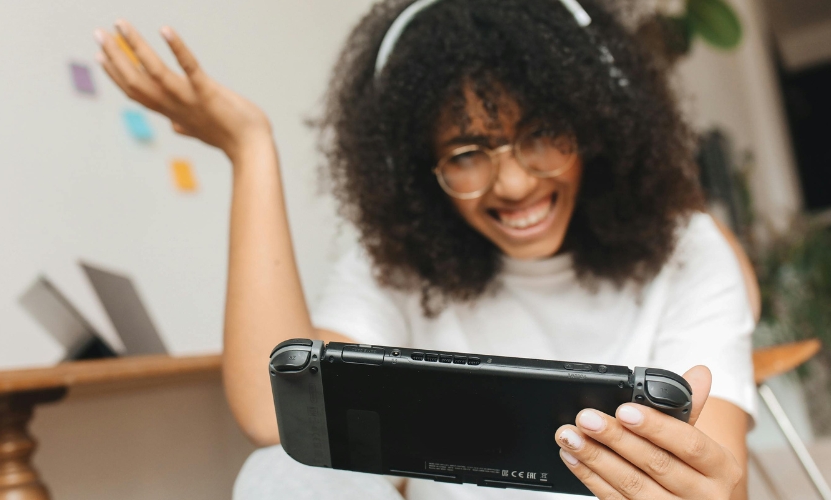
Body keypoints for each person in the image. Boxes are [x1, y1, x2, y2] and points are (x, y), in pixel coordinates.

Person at [93, 0, 756, 498]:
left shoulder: (688, 251)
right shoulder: (399, 263)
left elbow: (719, 472)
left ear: (596, 122)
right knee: (284, 471)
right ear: (417, 172)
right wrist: (250, 149)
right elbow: (277, 418)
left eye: (544, 133)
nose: (516, 182)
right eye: (467, 153)